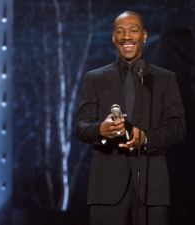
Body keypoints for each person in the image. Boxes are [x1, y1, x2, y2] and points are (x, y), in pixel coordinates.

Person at [75, 11, 186, 225]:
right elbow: (81, 126)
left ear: (144, 35)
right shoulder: (95, 78)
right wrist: (101, 130)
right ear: (113, 37)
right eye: (120, 31)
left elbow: (178, 127)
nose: (127, 36)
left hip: (151, 187)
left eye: (133, 30)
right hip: (106, 188)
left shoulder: (165, 79)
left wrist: (146, 138)